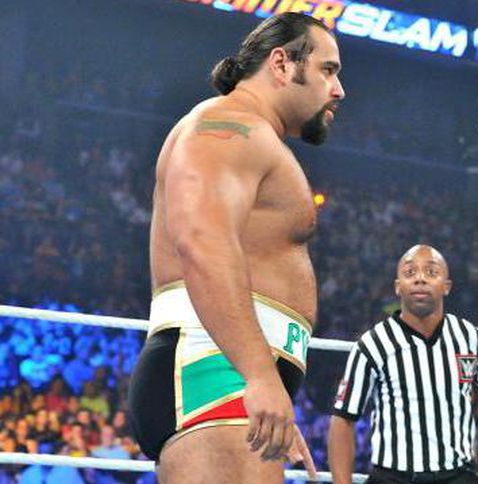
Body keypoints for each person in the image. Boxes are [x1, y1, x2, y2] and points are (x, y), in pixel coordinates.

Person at [128, 12, 344, 483]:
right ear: (281, 64)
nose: (338, 90)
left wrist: (266, 383)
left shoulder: (252, 135)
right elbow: (201, 242)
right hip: (214, 369)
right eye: (328, 70)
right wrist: (259, 377)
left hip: (229, 373)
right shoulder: (226, 125)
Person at [328, 245, 478, 483]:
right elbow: (343, 418)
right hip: (393, 478)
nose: (420, 279)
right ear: (398, 286)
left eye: (431, 272)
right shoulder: (373, 344)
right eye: (410, 272)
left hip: (457, 475)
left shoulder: (471, 338)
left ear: (446, 286)